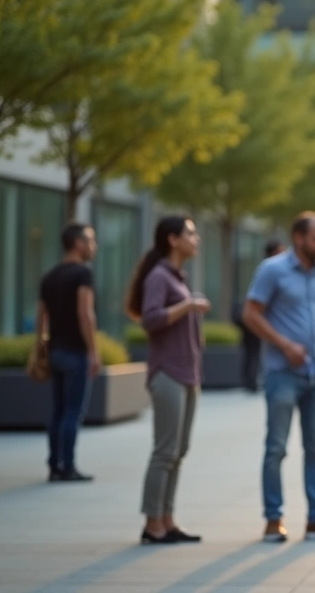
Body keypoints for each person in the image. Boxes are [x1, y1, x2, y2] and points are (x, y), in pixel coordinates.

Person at [242, 212, 315, 543]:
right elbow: (251, 314)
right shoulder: (272, 270)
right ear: (299, 238)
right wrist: (284, 345)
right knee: (276, 448)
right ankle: (273, 519)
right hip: (282, 374)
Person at [127, 216, 211, 544]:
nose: (197, 238)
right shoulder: (160, 276)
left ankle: (168, 519)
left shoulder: (178, 276)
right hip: (168, 374)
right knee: (165, 451)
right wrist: (187, 305)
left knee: (179, 450)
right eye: (191, 233)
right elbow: (150, 319)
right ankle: (152, 524)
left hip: (188, 374)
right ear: (173, 240)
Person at [37, 223, 99, 483]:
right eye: (91, 240)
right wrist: (93, 351)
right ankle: (68, 466)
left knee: (58, 411)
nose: (94, 246)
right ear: (78, 243)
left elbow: (41, 317)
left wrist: (39, 348)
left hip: (55, 351)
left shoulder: (49, 276)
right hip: (75, 352)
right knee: (73, 411)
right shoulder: (83, 274)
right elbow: (85, 313)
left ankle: (54, 465)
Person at [235, 240, 285, 393]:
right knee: (253, 350)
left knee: (252, 351)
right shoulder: (269, 269)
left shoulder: (268, 268)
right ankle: (250, 381)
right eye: (280, 250)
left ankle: (250, 380)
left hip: (256, 316)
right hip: (255, 318)